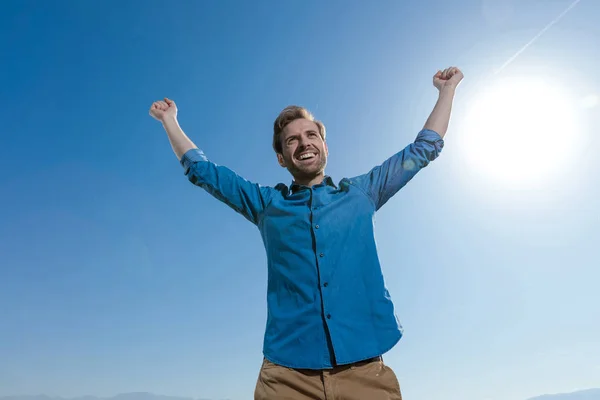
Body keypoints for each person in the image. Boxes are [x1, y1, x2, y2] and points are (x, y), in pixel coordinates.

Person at [149, 66, 464, 400]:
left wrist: (447, 91)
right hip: (286, 377)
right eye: (292, 140)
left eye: (311, 135)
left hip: (365, 372)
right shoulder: (266, 205)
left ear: (325, 146)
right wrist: (171, 120)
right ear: (281, 158)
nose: (304, 143)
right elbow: (202, 172)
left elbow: (424, 148)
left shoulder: (362, 194)